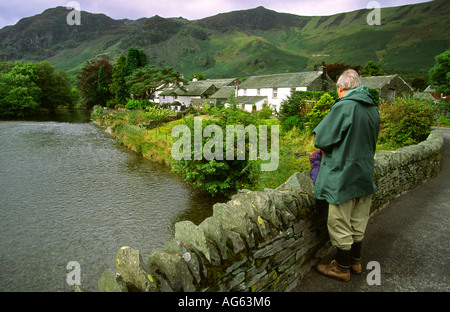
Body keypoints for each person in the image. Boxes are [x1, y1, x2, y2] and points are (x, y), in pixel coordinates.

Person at [312, 69, 380, 281]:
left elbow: (322, 139)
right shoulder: (372, 108)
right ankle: (355, 262)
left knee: (339, 220)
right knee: (358, 219)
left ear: (341, 88)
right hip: (364, 172)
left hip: (343, 174)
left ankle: (341, 268)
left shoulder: (345, 106)